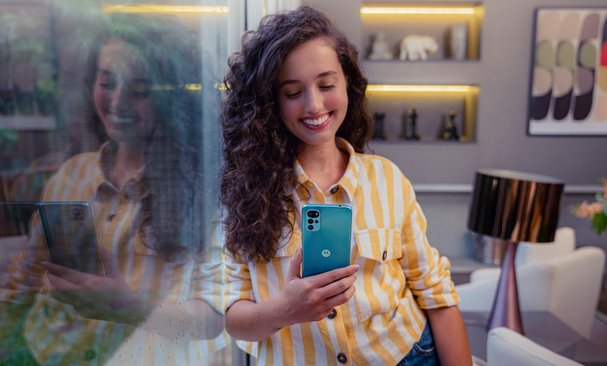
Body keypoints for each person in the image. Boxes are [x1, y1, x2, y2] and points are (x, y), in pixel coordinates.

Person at [221, 6, 472, 365]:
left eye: (326, 85)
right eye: (293, 92)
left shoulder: (387, 179)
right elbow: (234, 318)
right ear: (270, 103)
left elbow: (436, 293)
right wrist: (284, 310)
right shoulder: (246, 194)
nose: (314, 104)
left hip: (406, 355)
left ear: (347, 84)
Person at [0, 13, 224, 365]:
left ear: (175, 97)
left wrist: (131, 307)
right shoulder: (72, 175)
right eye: (107, 82)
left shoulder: (204, 186)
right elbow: (25, 281)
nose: (118, 103)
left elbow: (213, 321)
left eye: (140, 90)